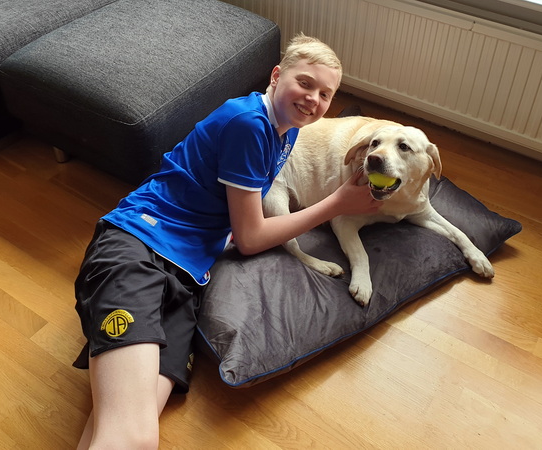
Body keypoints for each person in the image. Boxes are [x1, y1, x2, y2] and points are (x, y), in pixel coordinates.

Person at [74, 34, 382, 449]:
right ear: (276, 76)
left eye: (325, 94)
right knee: (136, 435)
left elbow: (239, 214)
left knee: (123, 423)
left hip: (186, 275)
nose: (314, 99)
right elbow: (251, 239)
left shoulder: (287, 131)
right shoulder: (249, 123)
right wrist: (337, 204)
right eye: (305, 83)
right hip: (138, 245)